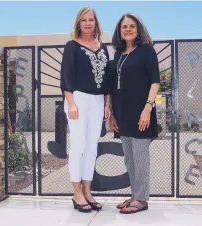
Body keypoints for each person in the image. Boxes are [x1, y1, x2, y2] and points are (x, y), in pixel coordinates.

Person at [60, 6, 112, 212]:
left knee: (91, 148)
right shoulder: (72, 46)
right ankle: (77, 193)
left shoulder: (103, 48)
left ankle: (88, 192)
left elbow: (107, 79)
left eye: (91, 20)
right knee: (78, 147)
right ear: (78, 23)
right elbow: (66, 77)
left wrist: (107, 104)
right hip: (78, 99)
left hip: (98, 100)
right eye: (84, 20)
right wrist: (71, 103)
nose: (88, 23)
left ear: (96, 23)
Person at [109, 13, 160, 214]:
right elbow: (114, 85)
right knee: (129, 159)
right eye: (124, 27)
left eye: (131, 26)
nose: (128, 29)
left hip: (141, 113)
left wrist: (147, 108)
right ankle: (134, 195)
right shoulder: (118, 54)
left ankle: (141, 199)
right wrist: (112, 114)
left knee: (140, 158)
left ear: (138, 29)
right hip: (122, 114)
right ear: (119, 31)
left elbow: (155, 81)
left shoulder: (146, 51)